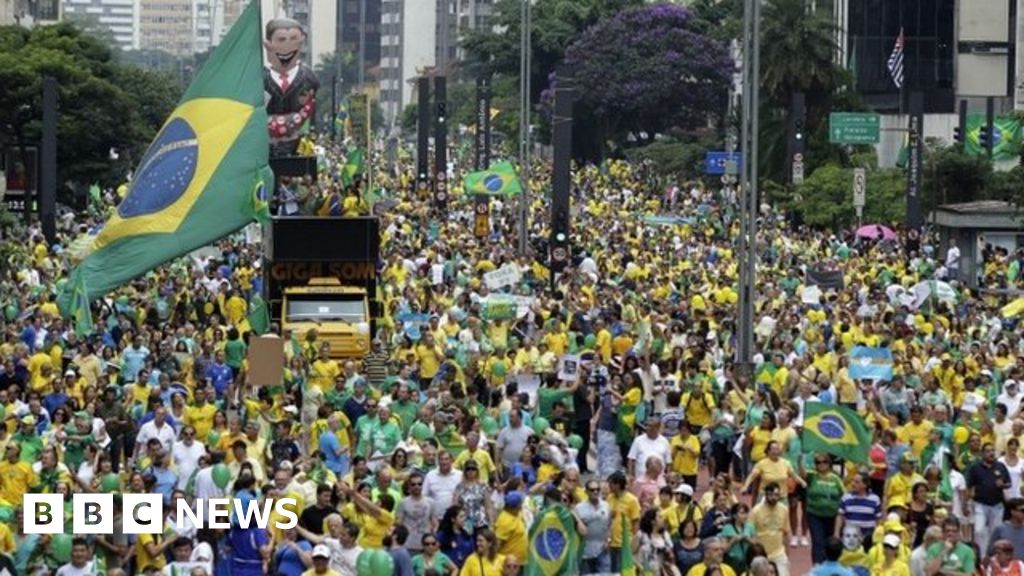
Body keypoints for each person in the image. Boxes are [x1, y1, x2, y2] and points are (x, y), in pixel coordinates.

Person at [969, 443, 1012, 553]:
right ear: (982, 453)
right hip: (980, 504)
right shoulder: (975, 467)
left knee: (995, 532)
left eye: (993, 450)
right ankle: (979, 556)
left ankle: (993, 556)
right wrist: (968, 501)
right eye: (988, 451)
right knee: (978, 530)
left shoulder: (1001, 466)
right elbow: (969, 485)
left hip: (997, 505)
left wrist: (1003, 485)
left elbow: (1009, 483)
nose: (991, 453)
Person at [751, 483, 791, 576]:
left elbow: (786, 533)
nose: (774, 497)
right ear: (765, 494)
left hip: (779, 554)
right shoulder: (756, 511)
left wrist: (787, 556)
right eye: (771, 494)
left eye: (776, 495)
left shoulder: (784, 509)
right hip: (761, 555)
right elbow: (750, 534)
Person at [576, 479, 611, 574]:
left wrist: (608, 540)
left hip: (603, 549)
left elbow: (609, 525)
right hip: (586, 551)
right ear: (586, 491)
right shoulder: (579, 508)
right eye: (592, 490)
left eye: (597, 489)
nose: (595, 492)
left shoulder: (606, 505)